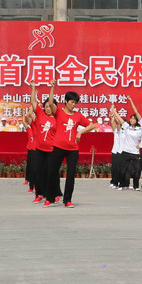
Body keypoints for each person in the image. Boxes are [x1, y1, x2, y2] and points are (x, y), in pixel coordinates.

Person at [44, 80, 96, 208]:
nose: (74, 105)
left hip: (73, 149)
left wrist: (80, 133)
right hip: (58, 147)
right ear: (66, 101)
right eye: (72, 102)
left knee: (71, 174)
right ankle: (50, 198)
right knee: (51, 172)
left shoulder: (77, 116)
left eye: (75, 103)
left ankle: (67, 200)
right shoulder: (59, 112)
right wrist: (52, 87)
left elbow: (91, 125)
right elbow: (50, 103)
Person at [28, 81, 59, 203]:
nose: (48, 108)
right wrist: (33, 88)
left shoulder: (57, 118)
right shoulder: (40, 114)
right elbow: (33, 102)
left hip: (52, 150)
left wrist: (52, 87)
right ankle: (39, 193)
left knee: (51, 173)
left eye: (50, 107)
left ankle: (54, 193)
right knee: (37, 171)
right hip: (39, 149)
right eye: (46, 106)